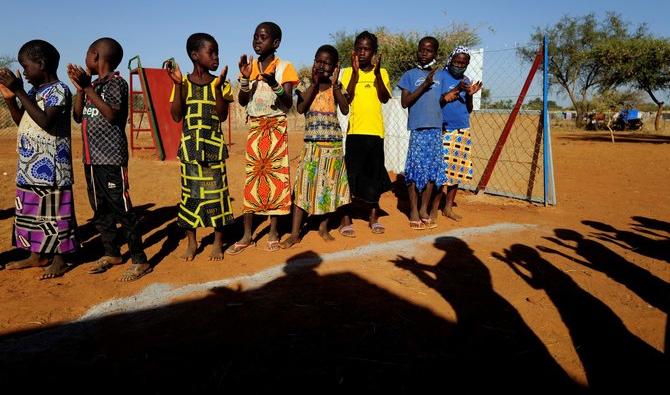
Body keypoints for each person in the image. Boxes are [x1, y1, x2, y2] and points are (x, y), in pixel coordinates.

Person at [68, 37, 151, 281]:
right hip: (91, 160)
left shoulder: (116, 83)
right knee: (100, 209)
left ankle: (139, 259)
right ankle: (111, 253)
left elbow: (112, 115)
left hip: (111, 159)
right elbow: (76, 116)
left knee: (122, 209)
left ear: (95, 56)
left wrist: (89, 88)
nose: (85, 60)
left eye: (87, 54)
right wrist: (81, 89)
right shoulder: (92, 85)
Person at [0, 40, 76, 280]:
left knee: (54, 214)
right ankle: (37, 255)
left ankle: (59, 259)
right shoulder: (35, 91)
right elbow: (24, 119)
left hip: (52, 167)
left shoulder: (59, 90)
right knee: (32, 213)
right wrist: (12, 99)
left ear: (41, 64)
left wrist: (20, 90)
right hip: (29, 165)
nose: (24, 72)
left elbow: (45, 122)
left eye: (26, 66)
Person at [227, 21, 299, 254]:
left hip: (276, 127)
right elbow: (243, 101)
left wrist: (274, 84)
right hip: (256, 128)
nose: (257, 40)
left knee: (277, 181)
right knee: (252, 181)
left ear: (275, 43)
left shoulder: (285, 67)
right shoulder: (250, 67)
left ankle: (273, 231)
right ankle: (247, 234)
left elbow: (288, 103)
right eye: (255, 36)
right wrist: (246, 79)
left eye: (263, 37)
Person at [166, 33, 234, 261]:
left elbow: (222, 115)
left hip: (214, 149)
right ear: (195, 56)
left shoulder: (221, 83)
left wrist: (218, 88)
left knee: (218, 195)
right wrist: (177, 86)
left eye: (217, 52)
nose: (216, 57)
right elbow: (176, 115)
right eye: (211, 52)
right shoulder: (182, 82)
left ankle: (217, 242)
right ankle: (192, 241)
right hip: (190, 150)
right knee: (190, 196)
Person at [279, 45, 350, 248]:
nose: (322, 65)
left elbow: (344, 109)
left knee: (328, 188)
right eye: (318, 61)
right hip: (312, 147)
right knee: (303, 188)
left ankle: (323, 227)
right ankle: (295, 233)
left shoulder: (338, 88)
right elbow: (301, 108)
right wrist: (314, 83)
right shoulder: (304, 88)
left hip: (333, 148)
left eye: (327, 63)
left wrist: (335, 85)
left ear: (335, 67)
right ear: (313, 63)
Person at [339, 31, 392, 236]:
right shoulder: (346, 72)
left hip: (375, 133)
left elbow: (385, 98)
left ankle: (373, 217)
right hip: (355, 134)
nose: (362, 52)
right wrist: (354, 73)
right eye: (359, 48)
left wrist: (377, 73)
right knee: (350, 178)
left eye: (366, 49)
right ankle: (346, 219)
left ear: (374, 52)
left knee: (373, 177)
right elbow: (348, 99)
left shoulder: (383, 73)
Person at [397, 36, 448, 230]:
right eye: (421, 50)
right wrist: (424, 85)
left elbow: (441, 100)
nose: (424, 53)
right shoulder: (409, 75)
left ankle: (424, 208)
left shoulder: (441, 76)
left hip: (435, 129)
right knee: (414, 170)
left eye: (428, 50)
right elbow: (405, 102)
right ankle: (413, 210)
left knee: (431, 172)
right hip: (418, 129)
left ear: (435, 53)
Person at [440, 46, 482, 221]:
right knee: (439, 171)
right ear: (450, 60)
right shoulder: (440, 77)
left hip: (461, 129)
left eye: (463, 63)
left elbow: (469, 109)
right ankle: (431, 205)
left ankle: (448, 207)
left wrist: (470, 95)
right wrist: (455, 90)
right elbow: (437, 101)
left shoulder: (466, 80)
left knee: (456, 171)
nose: (459, 65)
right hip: (443, 129)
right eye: (457, 61)